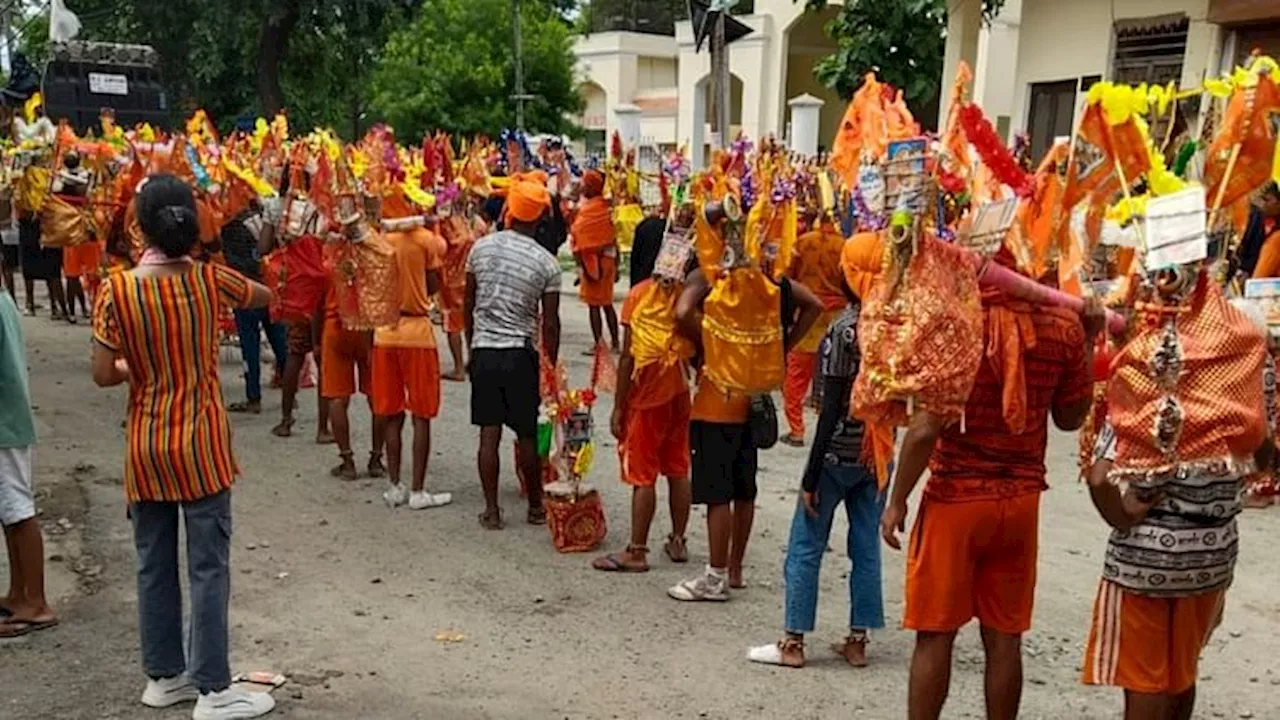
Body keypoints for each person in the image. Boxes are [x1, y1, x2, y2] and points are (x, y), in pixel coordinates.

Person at [90, 174, 276, 720]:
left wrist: (138, 367)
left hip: (146, 444)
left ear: (140, 226)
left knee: (152, 562)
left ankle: (164, 677)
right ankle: (215, 689)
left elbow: (103, 372)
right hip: (202, 445)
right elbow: (264, 295)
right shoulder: (208, 279)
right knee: (208, 566)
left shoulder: (116, 290)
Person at [880, 281, 1103, 720]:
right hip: (1020, 502)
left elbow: (925, 429)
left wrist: (897, 499)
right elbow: (1070, 417)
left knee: (935, 634)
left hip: (955, 500)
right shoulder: (1063, 325)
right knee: (1005, 639)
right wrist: (1090, 337)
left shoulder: (956, 323)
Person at [1080, 293, 1273, 720]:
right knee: (1183, 672)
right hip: (1211, 554)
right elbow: (1263, 457)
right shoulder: (1240, 377)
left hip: (1144, 558)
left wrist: (1123, 514)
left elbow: (1098, 477)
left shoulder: (1148, 371)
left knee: (1145, 682)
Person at [748, 242, 884, 668]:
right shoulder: (892, 326)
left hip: (835, 456)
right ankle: (858, 640)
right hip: (876, 453)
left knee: (806, 546)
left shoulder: (844, 331)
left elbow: (830, 410)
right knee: (865, 546)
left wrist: (809, 476)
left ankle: (793, 643)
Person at [669, 259, 823, 600]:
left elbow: (681, 313)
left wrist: (698, 283)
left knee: (718, 495)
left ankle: (715, 576)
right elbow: (814, 305)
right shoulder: (769, 281)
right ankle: (734, 569)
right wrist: (782, 347)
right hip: (753, 399)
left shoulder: (713, 279)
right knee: (744, 490)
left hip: (716, 399)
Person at [592, 220, 691, 572]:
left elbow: (630, 357)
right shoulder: (686, 294)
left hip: (648, 393)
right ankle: (678, 541)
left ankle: (636, 551)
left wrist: (619, 405)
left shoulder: (640, 295)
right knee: (678, 467)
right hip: (679, 386)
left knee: (642, 472)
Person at [465, 177, 562, 529]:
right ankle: (535, 506)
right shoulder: (547, 264)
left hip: (485, 351)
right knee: (526, 435)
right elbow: (550, 324)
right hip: (521, 355)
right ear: (539, 218)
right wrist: (549, 366)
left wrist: (470, 346)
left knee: (487, 434)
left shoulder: (480, 249)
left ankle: (492, 511)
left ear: (509, 211)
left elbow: (468, 303)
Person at [374, 218, 452, 509]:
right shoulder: (425, 239)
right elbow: (433, 284)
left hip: (385, 333)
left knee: (392, 413)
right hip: (417, 333)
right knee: (422, 414)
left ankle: (395, 486)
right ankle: (418, 491)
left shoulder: (381, 238)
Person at [0, 287, 55, 638]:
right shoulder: (4, 299)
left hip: (5, 422)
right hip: (9, 419)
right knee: (10, 510)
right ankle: (19, 592)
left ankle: (35, 601)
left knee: (18, 510)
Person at [781, 213, 847, 446]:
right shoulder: (845, 246)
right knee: (835, 376)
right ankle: (831, 431)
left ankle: (797, 430)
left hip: (808, 315)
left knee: (796, 376)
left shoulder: (802, 242)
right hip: (837, 317)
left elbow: (787, 277)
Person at [223, 202, 287, 414]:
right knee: (280, 343)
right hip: (270, 287)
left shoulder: (230, 225)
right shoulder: (264, 217)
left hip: (246, 291)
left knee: (250, 346)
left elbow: (232, 261)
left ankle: (253, 397)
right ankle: (289, 395)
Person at [571, 170, 620, 352]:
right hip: (607, 259)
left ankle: (599, 344)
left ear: (590, 187)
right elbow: (614, 238)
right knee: (606, 304)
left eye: (584, 183)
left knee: (595, 305)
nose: (582, 186)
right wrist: (617, 265)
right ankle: (614, 343)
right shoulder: (606, 208)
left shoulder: (587, 209)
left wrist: (580, 265)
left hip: (592, 262)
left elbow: (578, 236)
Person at [56, 151, 94, 322]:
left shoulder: (83, 176)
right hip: (73, 230)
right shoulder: (84, 177)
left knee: (84, 275)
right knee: (72, 275)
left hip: (80, 229)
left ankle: (84, 309)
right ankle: (77, 310)